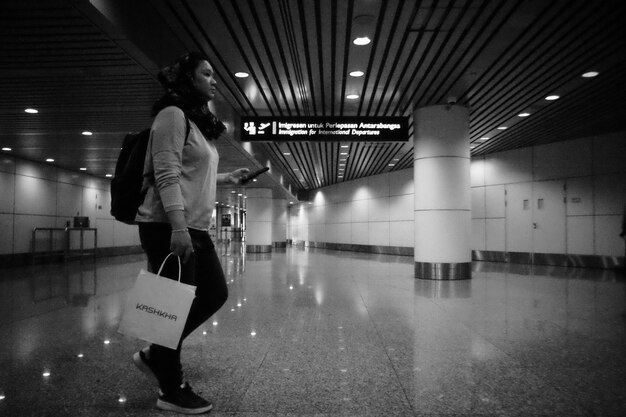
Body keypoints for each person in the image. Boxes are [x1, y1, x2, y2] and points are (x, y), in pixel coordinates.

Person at [133, 51, 249, 414]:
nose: (214, 80)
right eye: (207, 74)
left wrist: (225, 178)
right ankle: (171, 388)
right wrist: (179, 228)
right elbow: (165, 174)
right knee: (169, 308)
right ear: (188, 79)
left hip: (193, 227)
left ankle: (156, 353)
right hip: (169, 227)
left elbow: (189, 171)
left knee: (213, 292)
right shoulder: (172, 116)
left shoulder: (197, 123)